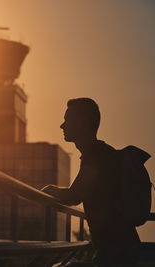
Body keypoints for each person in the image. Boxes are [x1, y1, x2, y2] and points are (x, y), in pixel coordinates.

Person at [42, 98, 140, 266]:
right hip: (122, 249)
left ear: (83, 123)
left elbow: (74, 195)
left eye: (67, 119)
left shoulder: (95, 155)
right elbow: (82, 189)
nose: (62, 125)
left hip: (115, 253)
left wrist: (50, 191)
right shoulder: (104, 152)